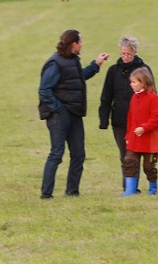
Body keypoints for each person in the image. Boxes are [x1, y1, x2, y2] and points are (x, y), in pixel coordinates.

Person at [38, 30, 108, 198]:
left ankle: (72, 192)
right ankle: (46, 194)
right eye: (81, 42)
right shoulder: (55, 62)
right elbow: (44, 90)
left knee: (79, 154)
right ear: (74, 44)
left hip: (74, 113)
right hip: (59, 115)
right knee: (57, 153)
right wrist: (59, 109)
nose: (82, 44)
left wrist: (96, 65)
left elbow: (77, 77)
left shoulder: (71, 60)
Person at [99, 36, 152, 191]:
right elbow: (106, 95)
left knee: (138, 155)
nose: (125, 57)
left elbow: (152, 94)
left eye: (128, 54)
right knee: (125, 155)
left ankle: (135, 186)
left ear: (135, 52)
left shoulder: (144, 70)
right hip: (120, 119)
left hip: (140, 121)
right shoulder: (113, 71)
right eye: (123, 54)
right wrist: (104, 119)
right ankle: (129, 187)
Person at [123, 67, 158, 196]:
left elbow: (156, 118)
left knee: (149, 166)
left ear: (143, 82)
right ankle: (129, 191)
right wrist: (128, 135)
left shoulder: (153, 98)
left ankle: (152, 190)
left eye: (134, 82)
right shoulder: (133, 97)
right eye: (131, 82)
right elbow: (130, 117)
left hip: (150, 140)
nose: (131, 84)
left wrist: (144, 128)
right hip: (135, 139)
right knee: (129, 161)